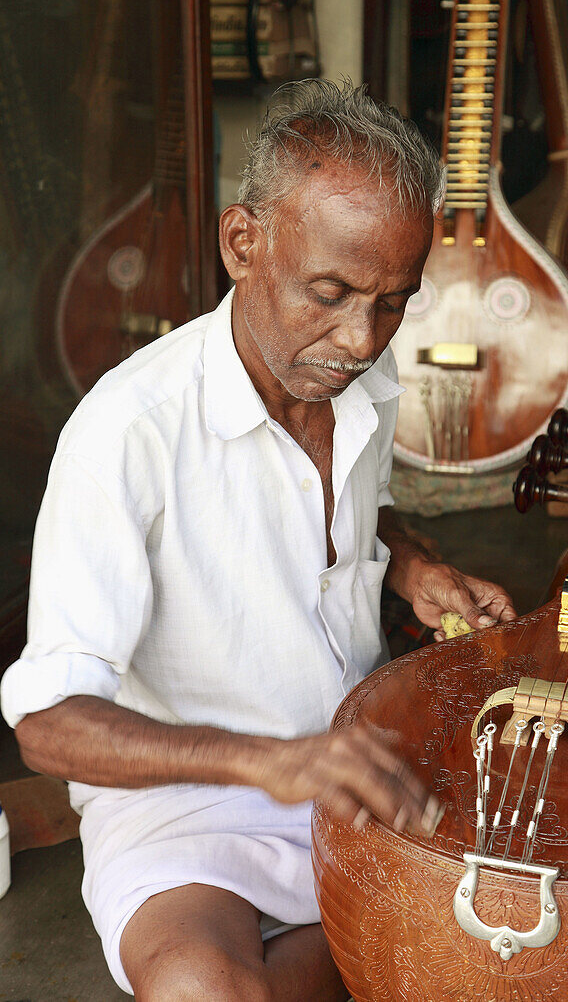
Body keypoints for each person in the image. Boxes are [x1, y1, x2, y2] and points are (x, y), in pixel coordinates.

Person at [1, 80, 515, 1000]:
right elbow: (47, 723)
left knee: (494, 945)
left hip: (358, 769)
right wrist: (269, 762)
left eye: (394, 301)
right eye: (330, 292)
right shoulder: (129, 431)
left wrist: (412, 569)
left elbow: (357, 509)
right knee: (201, 984)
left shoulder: (352, 366)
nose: (360, 337)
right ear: (244, 243)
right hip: (186, 799)